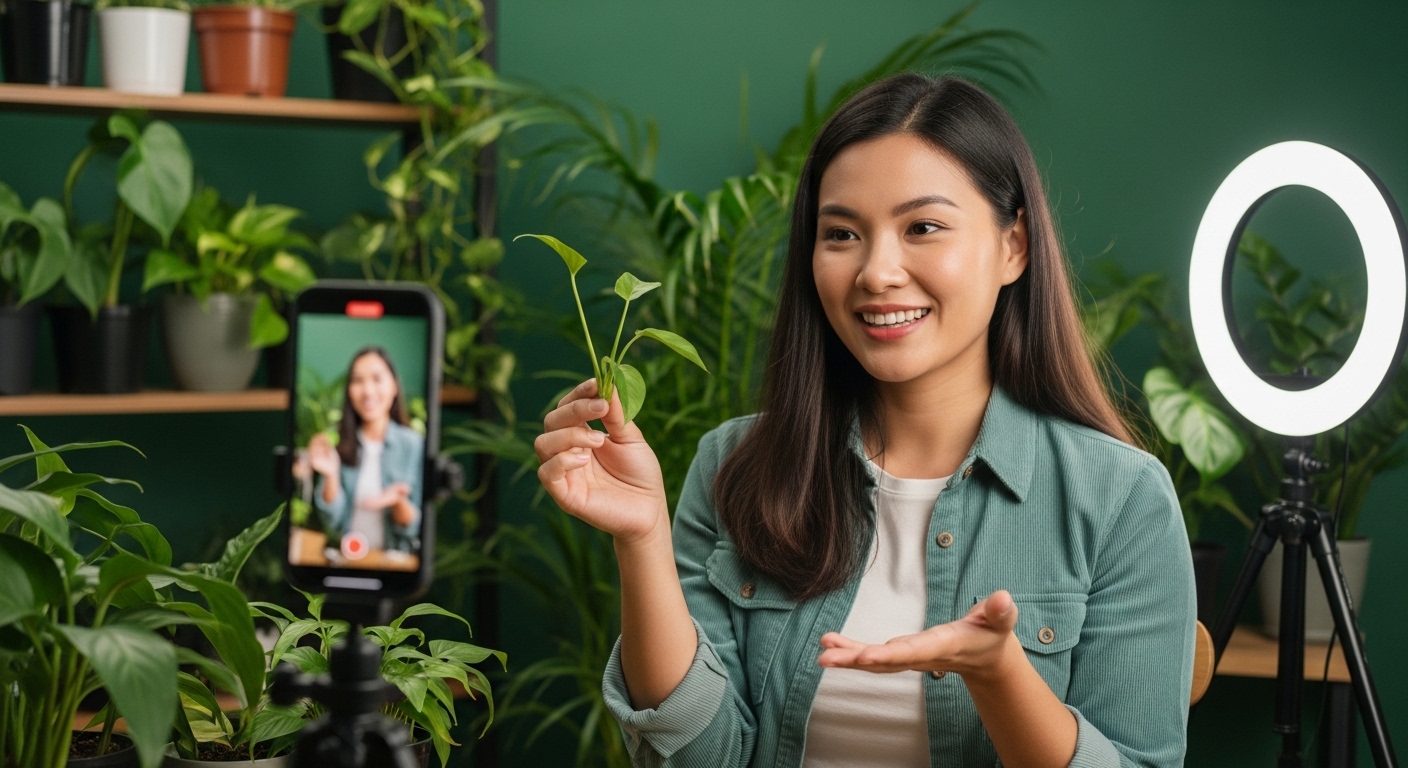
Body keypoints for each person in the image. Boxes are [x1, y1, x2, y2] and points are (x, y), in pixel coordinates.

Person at [535, 74, 1195, 767]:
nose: (877, 272)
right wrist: (642, 539)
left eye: (923, 228)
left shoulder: (1123, 500)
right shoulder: (735, 464)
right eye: (842, 233)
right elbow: (704, 757)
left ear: (1014, 247)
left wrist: (1000, 675)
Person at [308, 346, 424, 554]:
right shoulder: (338, 441)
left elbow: (415, 529)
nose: (368, 391)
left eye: (377, 379)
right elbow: (332, 522)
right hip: (345, 562)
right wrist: (331, 475)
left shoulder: (413, 445)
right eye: (358, 380)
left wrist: (398, 501)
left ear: (394, 386)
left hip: (392, 568)